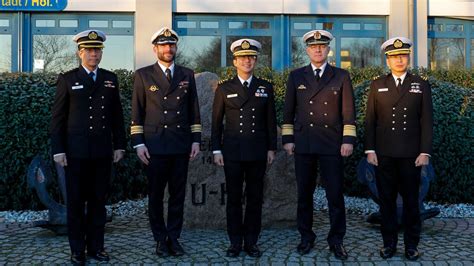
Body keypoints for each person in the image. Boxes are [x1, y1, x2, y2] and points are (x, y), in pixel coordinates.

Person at [50, 29, 126, 265]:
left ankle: (96, 247)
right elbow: (58, 119)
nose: (94, 54)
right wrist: (58, 150)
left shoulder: (110, 79)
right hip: (75, 153)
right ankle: (77, 250)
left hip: (102, 151)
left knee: (98, 202)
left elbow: (117, 117)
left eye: (97, 50)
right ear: (79, 52)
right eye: (89, 50)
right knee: (75, 202)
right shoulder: (68, 79)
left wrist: (120, 145)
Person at [282, 30, 356, 260]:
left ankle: (336, 240)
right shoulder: (296, 76)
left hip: (332, 144)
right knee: (304, 194)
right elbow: (288, 111)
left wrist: (348, 140)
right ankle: (306, 237)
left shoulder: (341, 76)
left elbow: (348, 113)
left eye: (322, 46)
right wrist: (288, 139)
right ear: (306, 50)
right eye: (313, 47)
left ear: (328, 49)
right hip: (304, 144)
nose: (317, 49)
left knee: (335, 195)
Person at [131, 27, 201, 257]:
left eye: (171, 45)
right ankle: (160, 239)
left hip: (180, 144)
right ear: (155, 49)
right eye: (163, 45)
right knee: (156, 196)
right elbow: (137, 112)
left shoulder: (186, 74)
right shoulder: (143, 75)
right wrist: (138, 143)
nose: (168, 49)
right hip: (154, 146)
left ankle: (174, 237)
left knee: (178, 196)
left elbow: (193, 110)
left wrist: (195, 140)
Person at [364, 37, 433, 261]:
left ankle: (411, 245)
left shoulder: (420, 84)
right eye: (394, 56)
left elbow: (426, 121)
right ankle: (389, 244)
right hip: (384, 154)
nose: (399, 59)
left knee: (412, 202)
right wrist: (370, 150)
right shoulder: (377, 85)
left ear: (408, 58)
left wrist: (425, 151)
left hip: (411, 155)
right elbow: (370, 121)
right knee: (387, 202)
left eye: (403, 55)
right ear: (387, 60)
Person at [211, 39, 277, 257]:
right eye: (242, 57)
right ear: (235, 61)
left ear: (256, 60)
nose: (247, 60)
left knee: (255, 198)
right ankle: (235, 242)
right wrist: (216, 150)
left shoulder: (265, 87)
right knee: (234, 198)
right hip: (232, 152)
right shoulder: (224, 88)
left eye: (251, 57)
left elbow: (270, 121)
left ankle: (251, 241)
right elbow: (216, 122)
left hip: (257, 152)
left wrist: (271, 148)